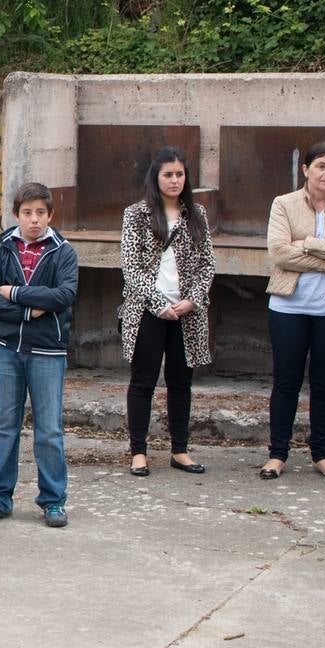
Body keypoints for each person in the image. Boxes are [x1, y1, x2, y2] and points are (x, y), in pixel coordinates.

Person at [0, 183, 78, 527]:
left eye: (40, 213)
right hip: (5, 349)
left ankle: (52, 501)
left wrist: (16, 292)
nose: (34, 220)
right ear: (16, 214)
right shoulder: (3, 249)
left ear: (50, 215)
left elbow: (63, 295)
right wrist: (26, 311)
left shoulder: (63, 251)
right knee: (5, 426)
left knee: (49, 430)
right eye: (27, 212)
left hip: (48, 351)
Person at [120, 148, 216, 477]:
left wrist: (192, 299)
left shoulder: (197, 214)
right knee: (142, 381)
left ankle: (180, 450)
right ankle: (138, 452)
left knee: (180, 383)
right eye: (168, 175)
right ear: (156, 178)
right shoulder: (136, 214)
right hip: (148, 310)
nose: (174, 180)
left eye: (179, 174)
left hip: (186, 311)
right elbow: (131, 268)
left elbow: (208, 264)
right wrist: (158, 303)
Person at [261, 142, 325, 481]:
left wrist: (309, 244)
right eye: (321, 166)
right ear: (306, 169)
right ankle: (277, 454)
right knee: (286, 382)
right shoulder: (283, 204)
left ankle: (322, 454)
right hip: (289, 307)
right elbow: (281, 254)